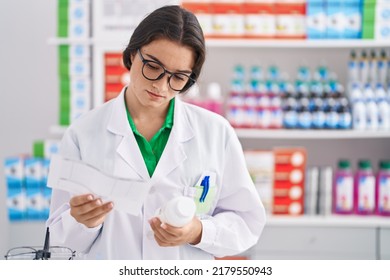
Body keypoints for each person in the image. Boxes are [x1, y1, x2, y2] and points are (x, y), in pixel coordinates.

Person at [46, 5, 266, 260]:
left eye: (178, 77)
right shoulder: (83, 134)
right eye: (152, 66)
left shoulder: (216, 133)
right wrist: (82, 221)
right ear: (131, 56)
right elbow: (59, 237)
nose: (161, 85)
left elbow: (247, 222)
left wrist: (199, 231)